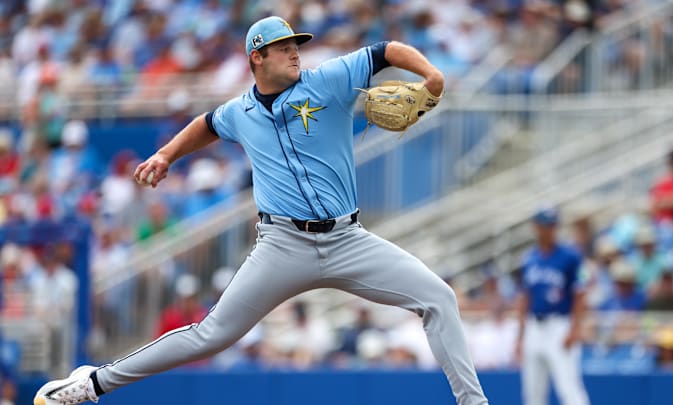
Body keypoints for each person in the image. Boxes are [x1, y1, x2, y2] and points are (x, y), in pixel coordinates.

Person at [34, 16, 490, 405]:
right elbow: (206, 124)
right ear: (257, 57)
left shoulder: (328, 80)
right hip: (282, 245)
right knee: (211, 335)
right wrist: (167, 155)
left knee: (438, 298)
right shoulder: (240, 111)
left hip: (348, 240)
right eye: (284, 48)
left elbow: (387, 49)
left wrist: (432, 76)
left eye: (296, 46)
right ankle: (92, 384)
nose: (295, 53)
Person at [515, 207, 590, 405]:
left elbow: (580, 295)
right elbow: (525, 297)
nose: (547, 229)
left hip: (560, 325)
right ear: (535, 226)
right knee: (533, 393)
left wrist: (575, 329)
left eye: (551, 225)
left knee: (569, 389)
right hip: (534, 326)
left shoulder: (571, 256)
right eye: (543, 224)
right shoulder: (529, 258)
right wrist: (520, 336)